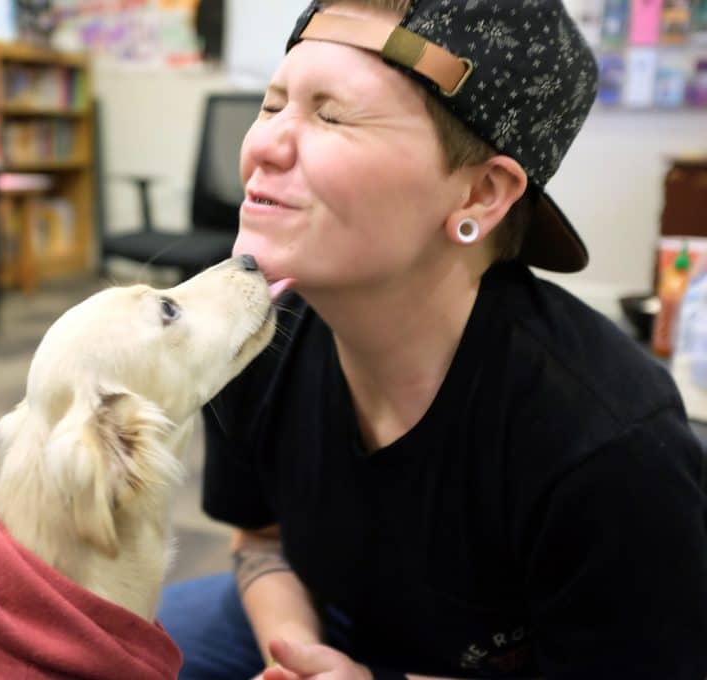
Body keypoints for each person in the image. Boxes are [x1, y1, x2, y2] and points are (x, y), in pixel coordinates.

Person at [156, 1, 707, 678]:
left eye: (331, 115)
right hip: (326, 617)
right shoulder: (254, 336)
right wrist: (300, 653)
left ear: (480, 194)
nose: (262, 145)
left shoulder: (607, 443)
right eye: (273, 106)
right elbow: (259, 537)